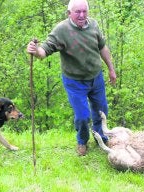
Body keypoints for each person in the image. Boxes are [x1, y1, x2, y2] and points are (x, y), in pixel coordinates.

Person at [26, 0, 116, 156]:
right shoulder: (62, 30)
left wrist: (111, 69)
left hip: (96, 78)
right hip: (74, 82)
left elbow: (103, 48)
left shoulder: (93, 25)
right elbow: (44, 50)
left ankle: (101, 137)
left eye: (84, 11)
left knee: (101, 111)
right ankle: (82, 142)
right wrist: (35, 51)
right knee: (82, 116)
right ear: (69, 13)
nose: (81, 15)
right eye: (77, 12)